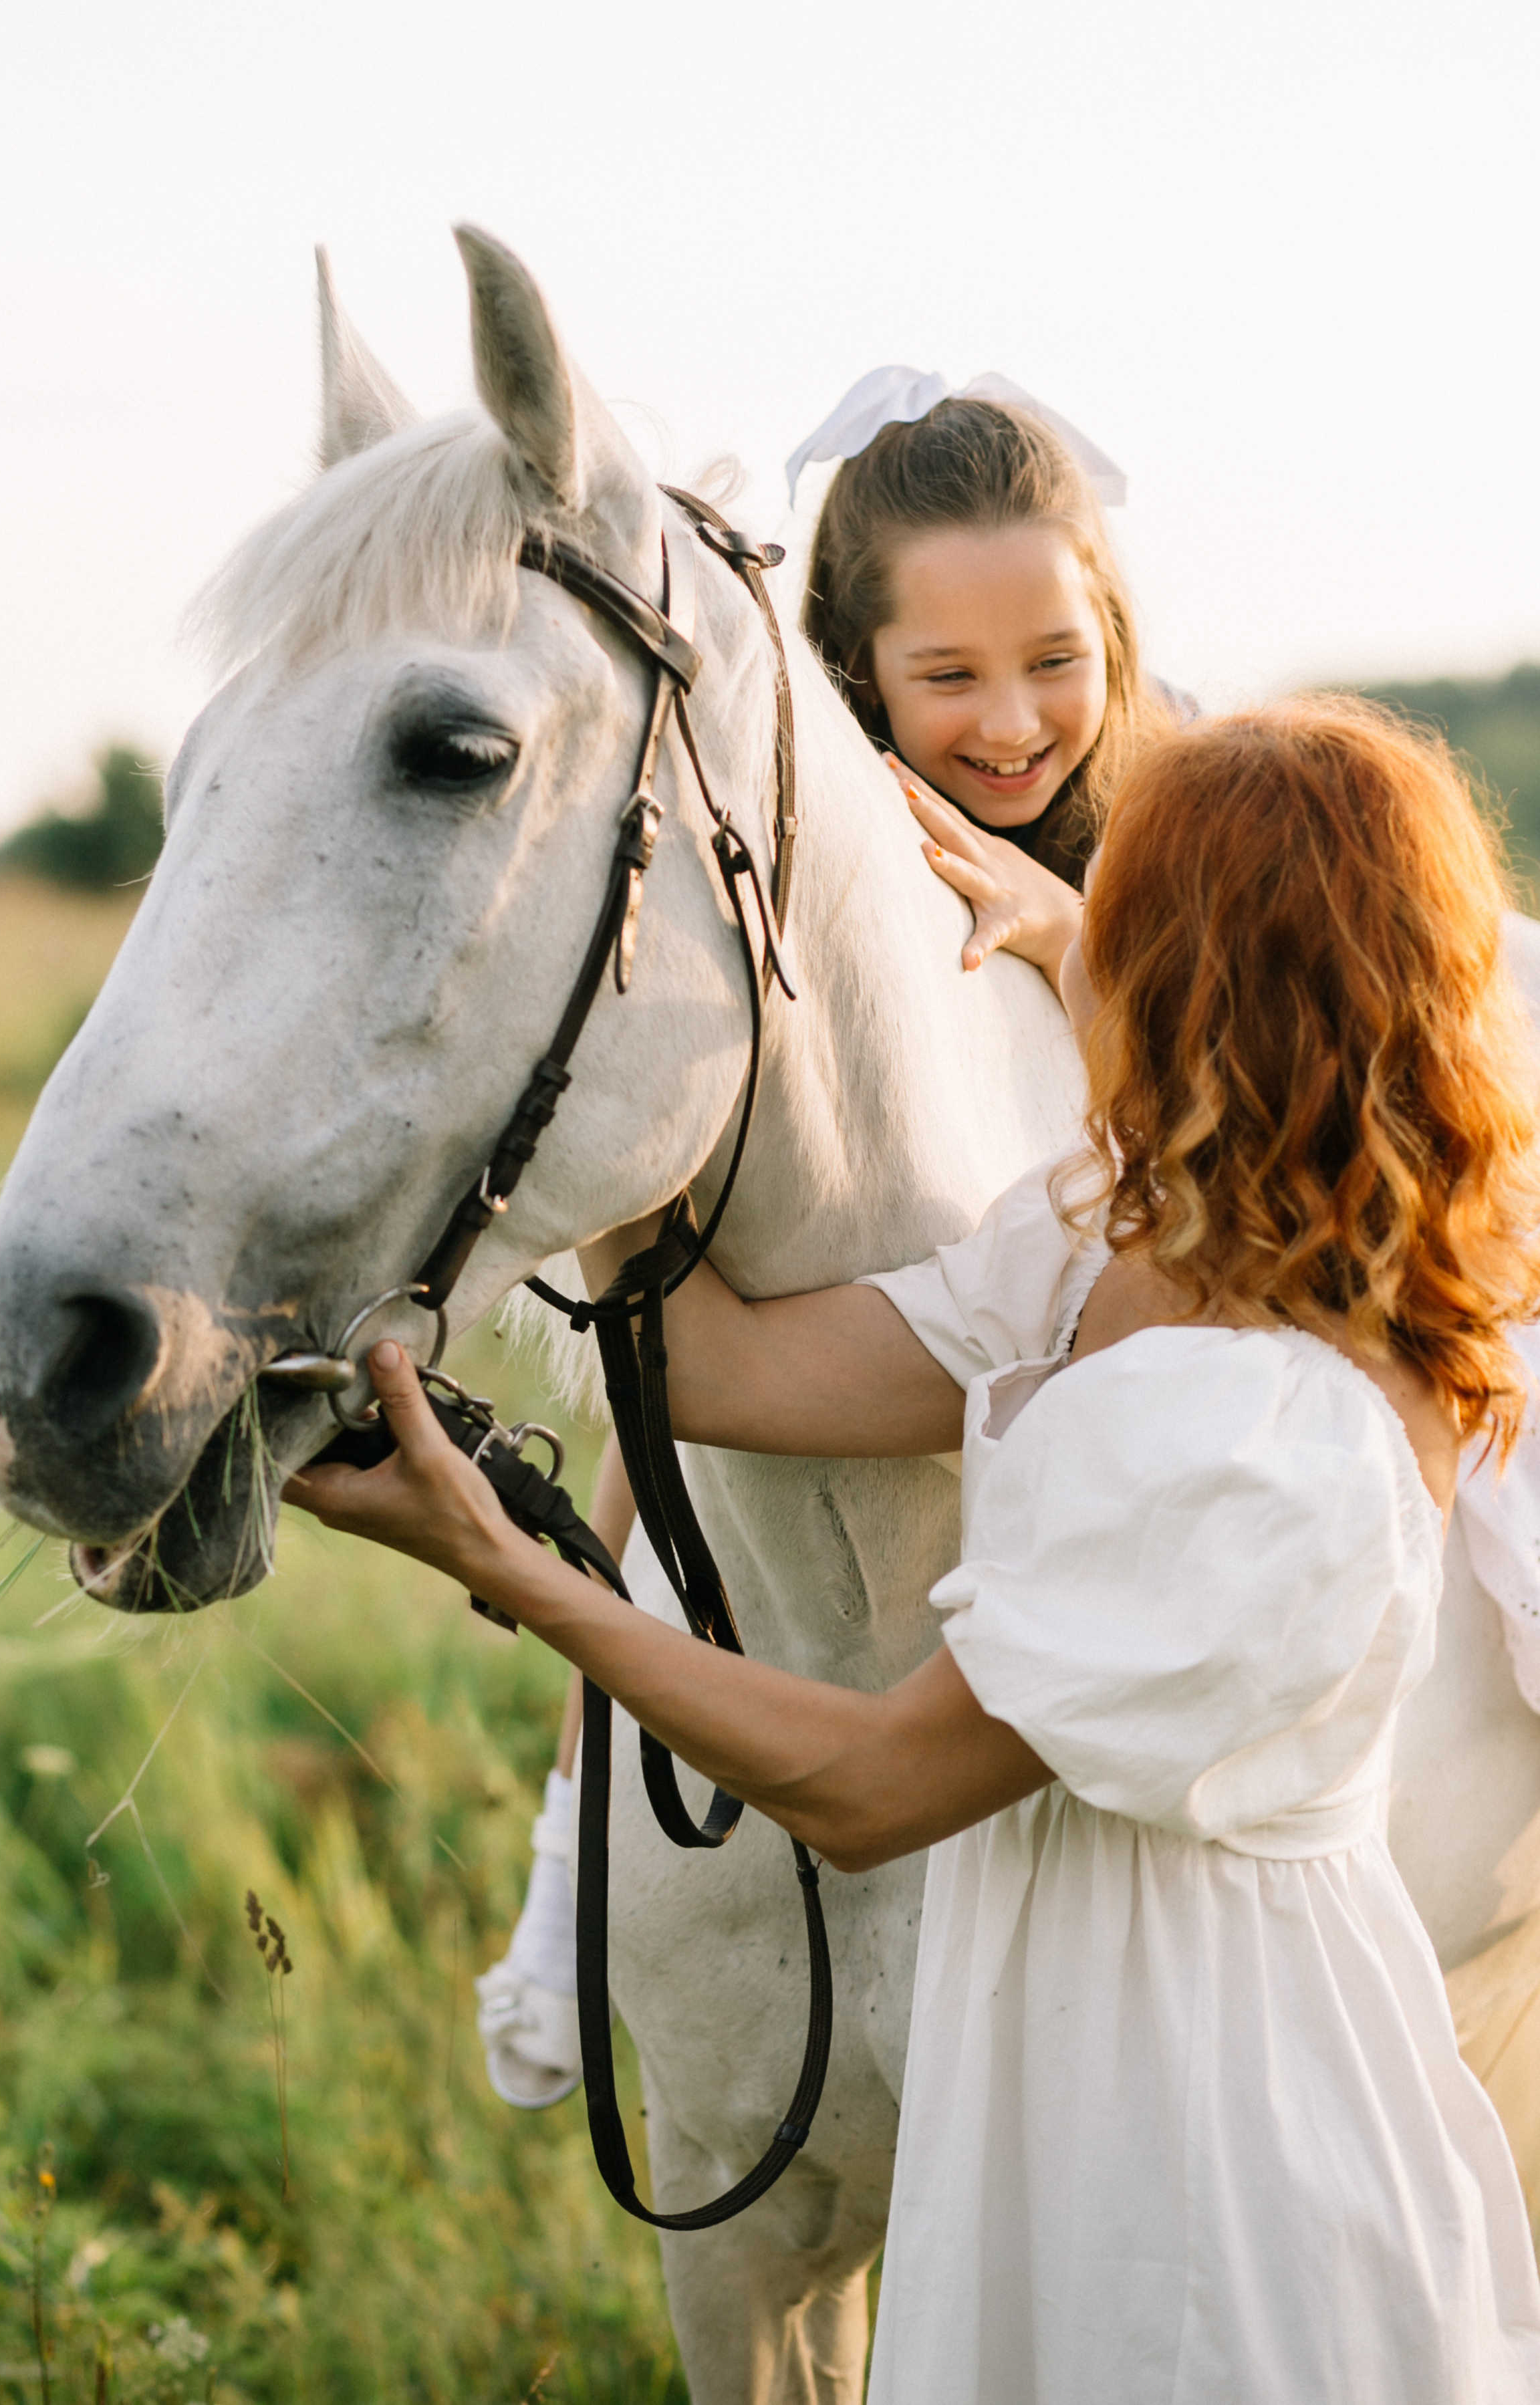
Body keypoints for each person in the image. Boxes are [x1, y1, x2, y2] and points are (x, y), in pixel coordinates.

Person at [290, 699, 1540, 2400]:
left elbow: (876, 1784)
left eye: (1122, 919)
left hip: (1214, 2133)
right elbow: (718, 1365)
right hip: (1054, 2073)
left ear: (1199, 987)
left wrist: (513, 1565)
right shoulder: (1111, 1248)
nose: (1071, 947)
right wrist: (629, 1048)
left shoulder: (1279, 1438)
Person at [475, 370, 1171, 2104]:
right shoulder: (807, 857)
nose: (1012, 722)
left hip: (1075, 1366)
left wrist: (1082, 940)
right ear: (858, 673)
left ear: (1114, 634)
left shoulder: (1170, 845)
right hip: (826, 1335)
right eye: (948, 676)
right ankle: (574, 1846)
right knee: (662, 1447)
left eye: (1054, 660)